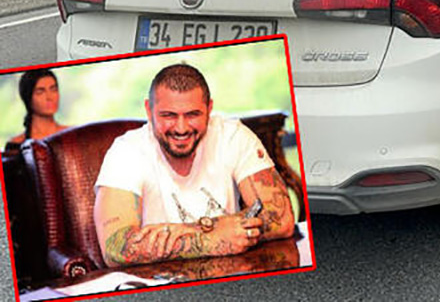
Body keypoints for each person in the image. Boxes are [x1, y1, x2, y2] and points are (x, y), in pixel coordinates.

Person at [93, 64, 295, 267]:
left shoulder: (233, 135)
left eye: (192, 115)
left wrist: (183, 233)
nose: (181, 128)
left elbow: (282, 217)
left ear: (209, 108)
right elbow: (115, 248)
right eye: (169, 115)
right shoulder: (126, 150)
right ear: (149, 109)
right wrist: (207, 237)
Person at [4, 69, 69, 154]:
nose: (50, 97)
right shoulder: (16, 145)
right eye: (40, 92)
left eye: (53, 89)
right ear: (28, 97)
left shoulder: (73, 135)